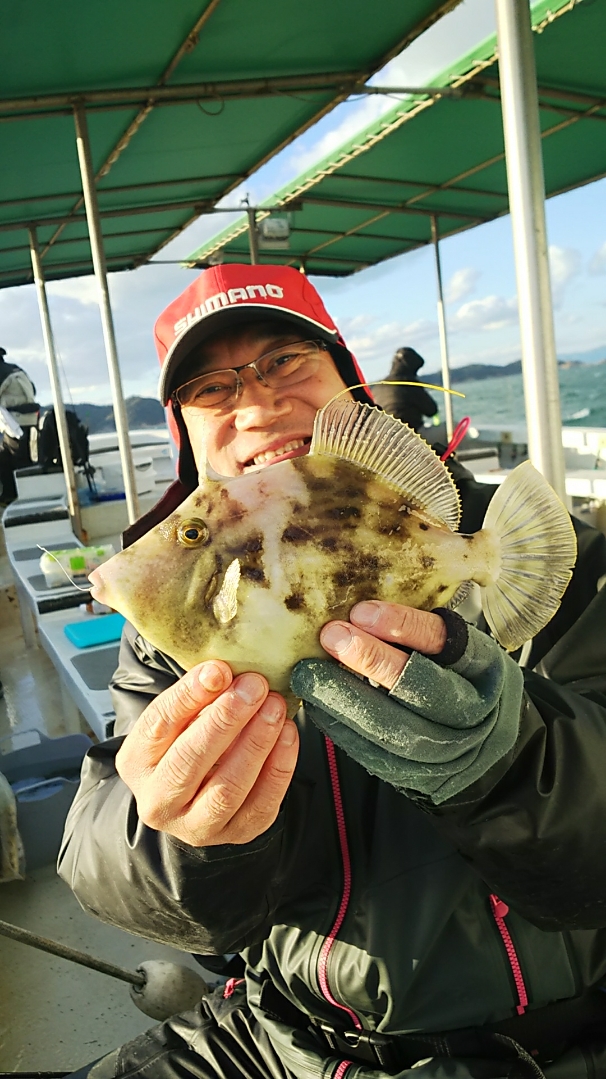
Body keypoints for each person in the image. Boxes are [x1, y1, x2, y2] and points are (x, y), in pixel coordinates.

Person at [59, 265, 606, 1079]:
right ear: (188, 436)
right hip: (289, 1034)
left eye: (284, 361)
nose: (256, 402)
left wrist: (515, 762)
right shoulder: (170, 638)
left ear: (348, 382)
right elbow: (116, 856)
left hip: (562, 1035)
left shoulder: (564, 565)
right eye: (212, 389)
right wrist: (177, 834)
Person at [0, 347, 39, 503]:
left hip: (15, 422)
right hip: (27, 419)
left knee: (17, 458)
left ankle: (23, 496)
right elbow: (34, 389)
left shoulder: (1, 371)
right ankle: (10, 493)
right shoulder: (15, 368)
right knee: (5, 455)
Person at [372, 346, 438, 431]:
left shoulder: (377, 388)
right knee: (454, 428)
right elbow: (431, 410)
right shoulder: (408, 384)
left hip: (386, 439)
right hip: (412, 437)